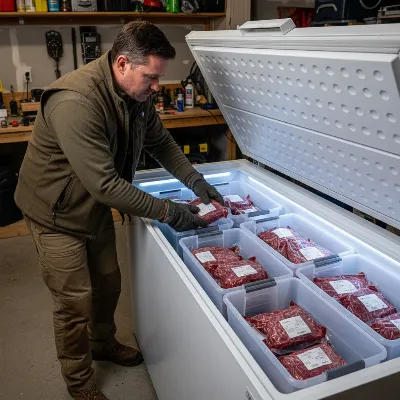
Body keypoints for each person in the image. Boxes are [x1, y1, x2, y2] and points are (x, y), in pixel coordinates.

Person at [15, 21, 223, 400]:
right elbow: (107, 185)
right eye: (151, 77)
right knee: (74, 300)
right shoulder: (76, 102)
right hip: (56, 213)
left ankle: (103, 343)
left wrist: (194, 181)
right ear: (123, 63)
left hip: (92, 207)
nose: (157, 87)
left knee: (108, 283)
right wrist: (171, 212)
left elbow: (161, 142)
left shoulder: (135, 96)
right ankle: (79, 383)